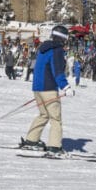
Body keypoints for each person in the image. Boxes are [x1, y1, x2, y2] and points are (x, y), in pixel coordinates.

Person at [21, 25, 74, 154]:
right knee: (55, 118)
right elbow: (57, 70)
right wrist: (65, 86)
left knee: (44, 114)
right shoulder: (57, 50)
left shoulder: (44, 48)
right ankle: (54, 146)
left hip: (37, 87)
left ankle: (31, 140)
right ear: (63, 38)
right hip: (49, 88)